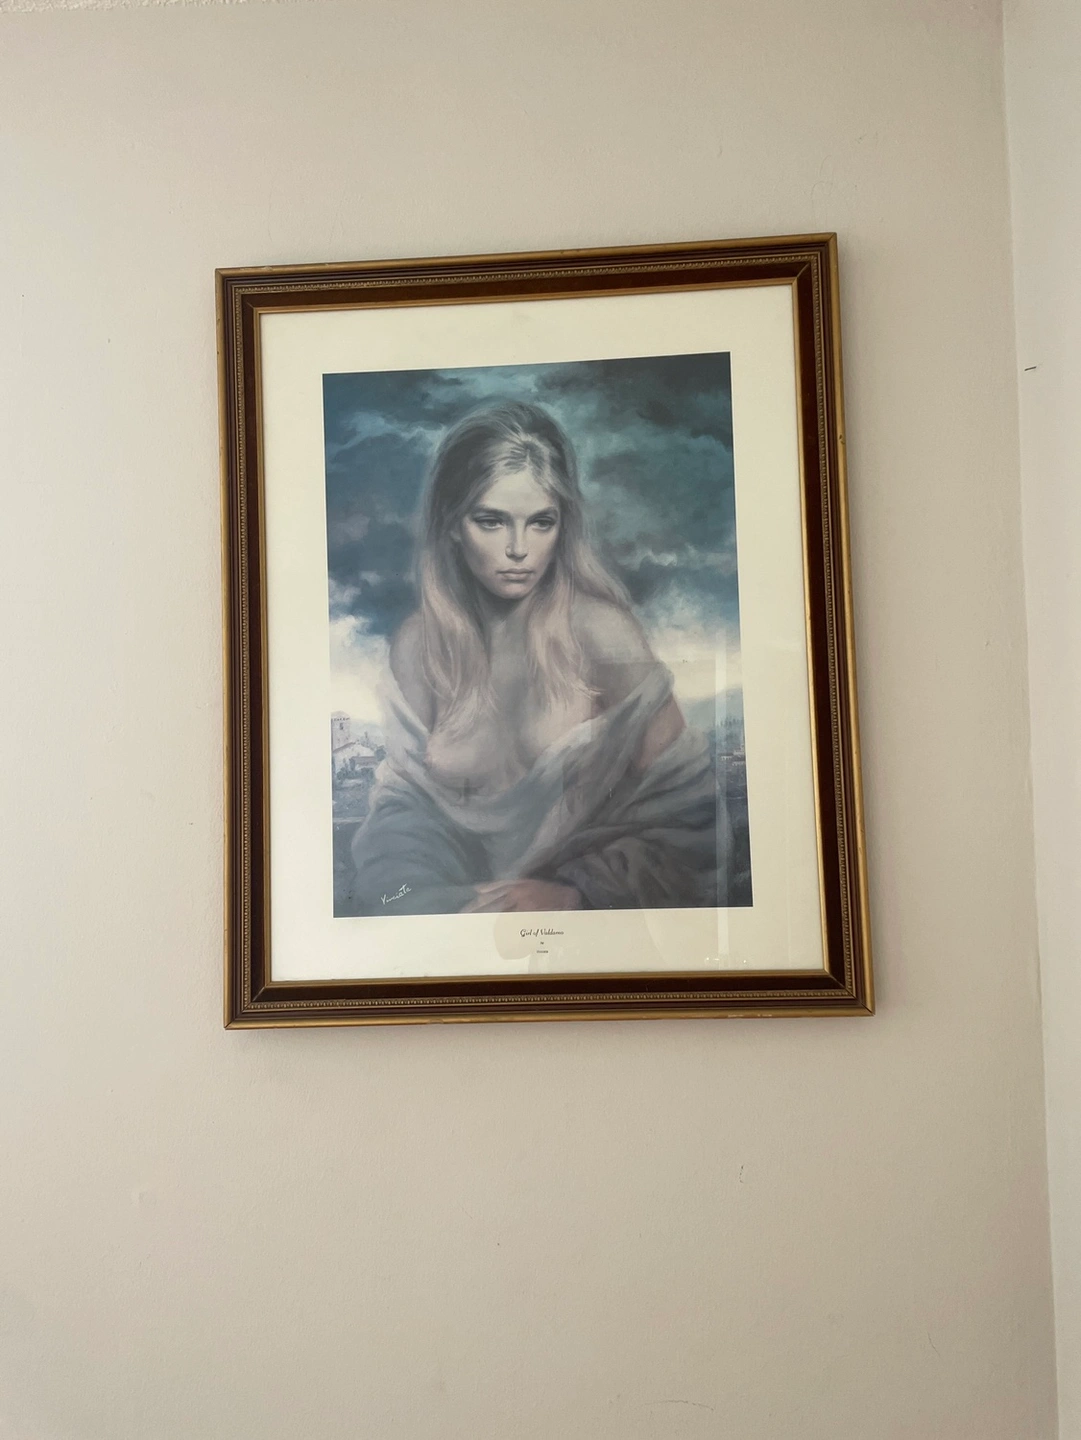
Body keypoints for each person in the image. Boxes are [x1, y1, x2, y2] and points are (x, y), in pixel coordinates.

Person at [342, 400, 728, 916]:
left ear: (563, 526)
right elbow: (400, 817)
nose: (519, 549)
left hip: (589, 934)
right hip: (460, 928)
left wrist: (578, 891)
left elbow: (694, 821)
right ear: (452, 525)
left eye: (541, 522)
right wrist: (432, 902)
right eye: (491, 521)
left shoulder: (601, 634)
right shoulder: (418, 647)